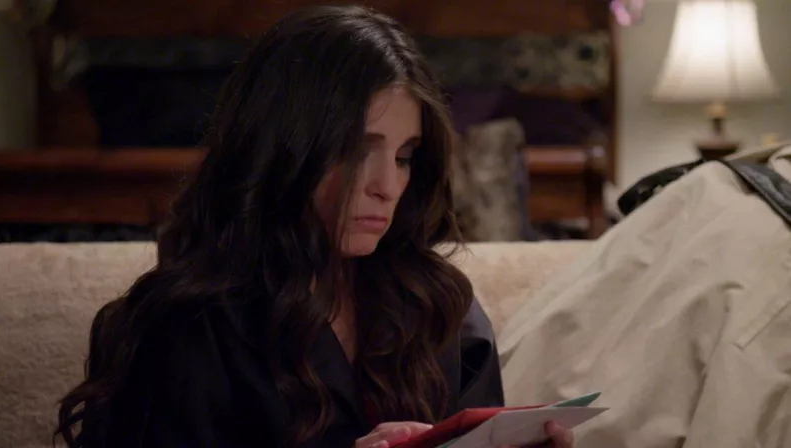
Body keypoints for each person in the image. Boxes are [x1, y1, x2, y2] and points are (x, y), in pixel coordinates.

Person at [55, 6, 574, 448]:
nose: (387, 186)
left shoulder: (442, 309)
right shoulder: (183, 327)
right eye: (357, 150)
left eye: (404, 157)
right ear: (283, 150)